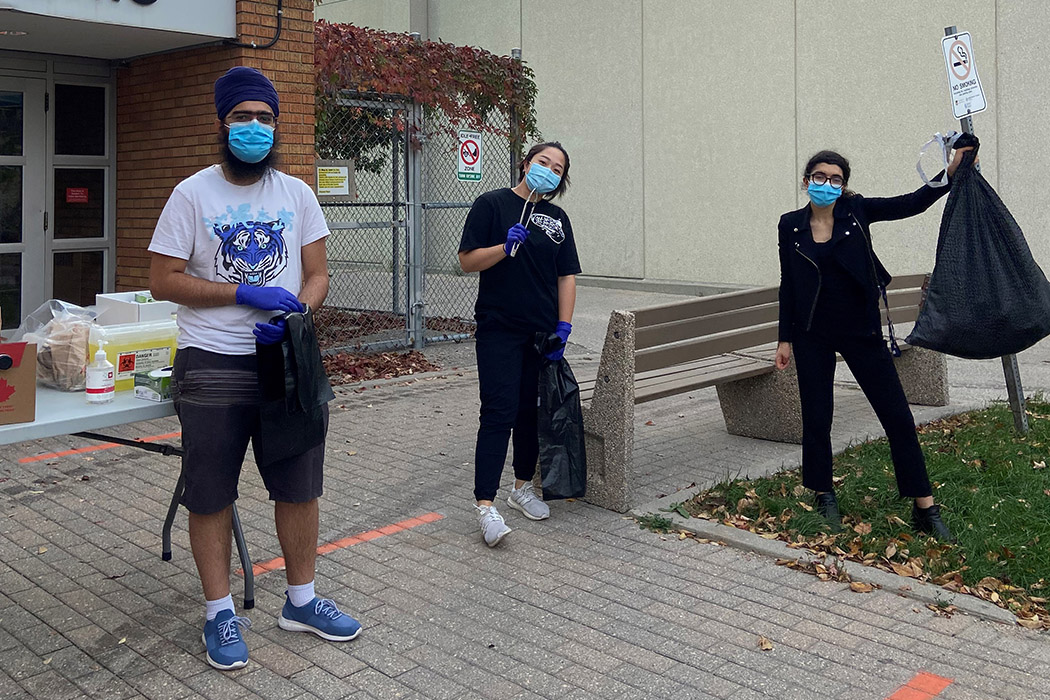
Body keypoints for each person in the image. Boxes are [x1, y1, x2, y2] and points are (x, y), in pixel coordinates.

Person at [148, 66, 360, 671]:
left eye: (265, 118)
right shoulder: (193, 194)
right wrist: (243, 293)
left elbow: (317, 275)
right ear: (222, 123)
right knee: (210, 491)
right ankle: (219, 612)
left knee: (299, 484)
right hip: (212, 361)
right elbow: (163, 280)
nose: (255, 128)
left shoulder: (296, 194)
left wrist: (299, 309)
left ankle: (301, 600)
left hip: (286, 362)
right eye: (243, 117)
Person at [775, 142, 975, 541]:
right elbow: (788, 284)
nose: (827, 184)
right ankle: (822, 493)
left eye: (835, 179)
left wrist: (952, 173)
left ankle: (925, 506)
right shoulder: (790, 224)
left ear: (844, 186)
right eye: (820, 177)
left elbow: (912, 203)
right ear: (806, 181)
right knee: (817, 418)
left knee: (897, 417)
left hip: (861, 331)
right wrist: (784, 339)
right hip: (811, 333)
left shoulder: (857, 212)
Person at [458, 141, 581, 547]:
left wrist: (563, 327)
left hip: (542, 333)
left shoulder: (558, 218)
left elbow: (567, 276)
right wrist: (502, 248)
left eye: (557, 168)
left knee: (531, 412)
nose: (549, 170)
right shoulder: (491, 205)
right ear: (526, 163)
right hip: (500, 328)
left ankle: (521, 486)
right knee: (499, 411)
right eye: (543, 162)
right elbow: (467, 260)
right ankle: (485, 505)